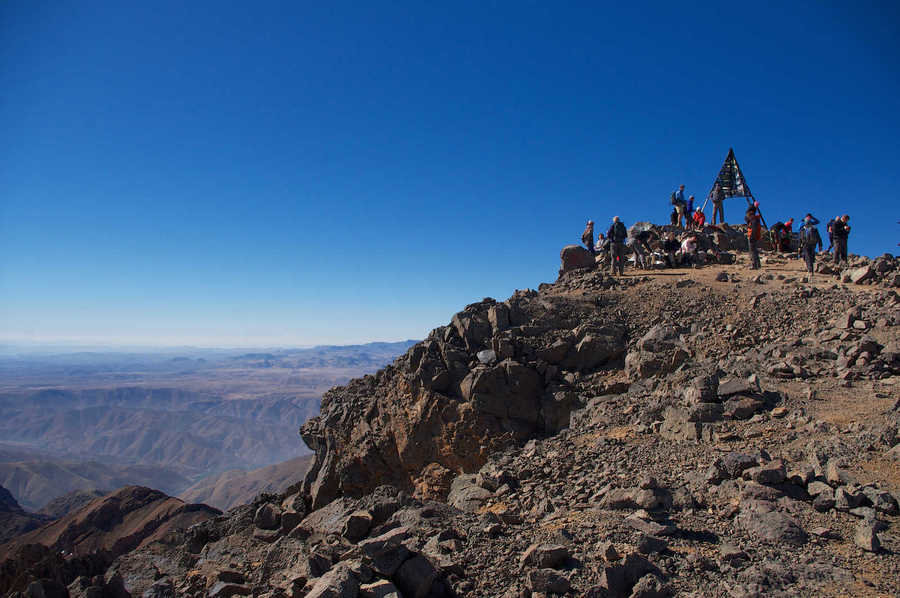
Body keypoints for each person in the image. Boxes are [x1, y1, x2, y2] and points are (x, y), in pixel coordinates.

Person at [746, 202, 762, 270]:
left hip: (752, 237)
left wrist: (752, 236)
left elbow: (754, 229)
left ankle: (754, 265)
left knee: (752, 251)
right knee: (754, 251)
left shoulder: (753, 220)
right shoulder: (755, 219)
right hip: (755, 236)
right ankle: (758, 264)